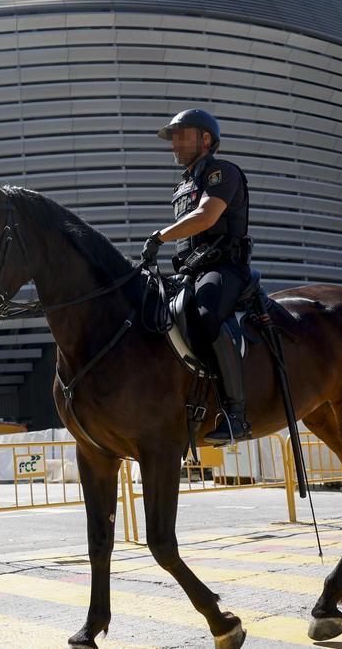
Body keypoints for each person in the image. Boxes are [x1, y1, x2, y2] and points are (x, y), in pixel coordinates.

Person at [141, 108, 253, 445]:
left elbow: (206, 217)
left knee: (207, 315)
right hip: (190, 272)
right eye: (172, 137)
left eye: (181, 135)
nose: (174, 143)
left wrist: (159, 237)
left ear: (206, 139)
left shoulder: (222, 172)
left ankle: (237, 414)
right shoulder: (183, 185)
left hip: (224, 269)